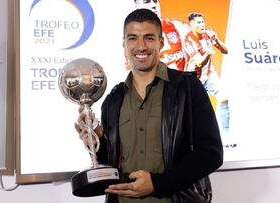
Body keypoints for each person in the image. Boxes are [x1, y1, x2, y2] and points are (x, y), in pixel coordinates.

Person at [75, 8, 223, 203]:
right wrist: (97, 141)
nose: (141, 46)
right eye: (133, 38)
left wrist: (158, 183)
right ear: (124, 44)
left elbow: (211, 154)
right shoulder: (113, 98)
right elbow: (110, 163)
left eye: (149, 38)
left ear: (161, 43)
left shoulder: (187, 87)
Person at [183, 12, 230, 135]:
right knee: (195, 111)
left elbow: (225, 51)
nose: (202, 24)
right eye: (199, 22)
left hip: (209, 74)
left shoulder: (208, 35)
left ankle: (226, 136)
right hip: (193, 79)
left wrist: (217, 41)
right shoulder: (188, 41)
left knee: (224, 98)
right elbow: (199, 63)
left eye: (203, 22)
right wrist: (208, 53)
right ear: (192, 25)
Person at [133, 0, 188, 71]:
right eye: (147, 2)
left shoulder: (178, 27)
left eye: (155, 1)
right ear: (137, 7)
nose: (153, 5)